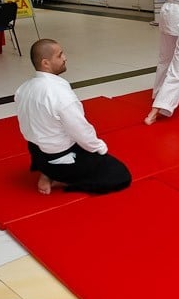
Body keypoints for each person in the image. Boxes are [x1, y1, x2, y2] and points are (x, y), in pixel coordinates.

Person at [15, 39, 131, 195]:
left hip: (37, 154)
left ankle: (46, 171)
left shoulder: (23, 88)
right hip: (59, 159)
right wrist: (99, 148)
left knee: (57, 133)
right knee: (120, 174)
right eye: (59, 55)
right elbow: (80, 131)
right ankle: (59, 179)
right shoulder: (59, 94)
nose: (65, 58)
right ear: (46, 63)